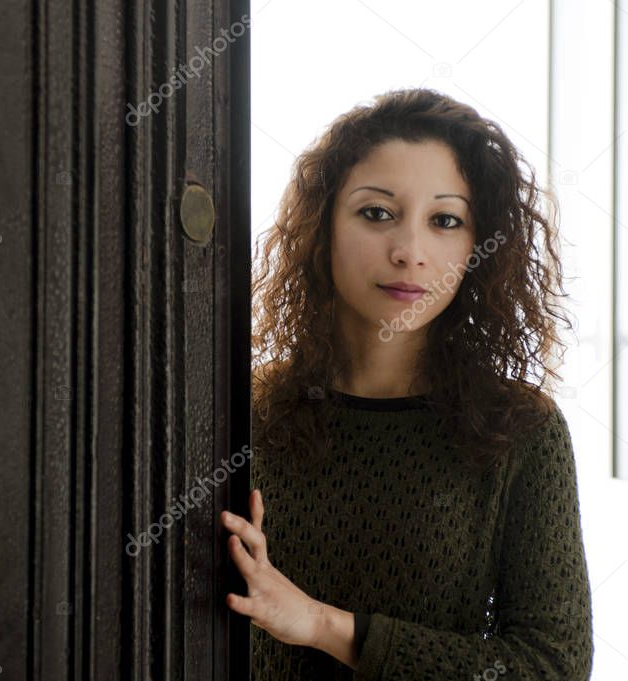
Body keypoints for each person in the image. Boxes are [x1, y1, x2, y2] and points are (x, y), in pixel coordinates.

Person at [224, 87, 593, 680]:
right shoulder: (245, 410)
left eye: (445, 220)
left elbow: (552, 667)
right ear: (322, 227)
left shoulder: (520, 429)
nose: (409, 252)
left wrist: (324, 626)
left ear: (478, 247)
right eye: (377, 213)